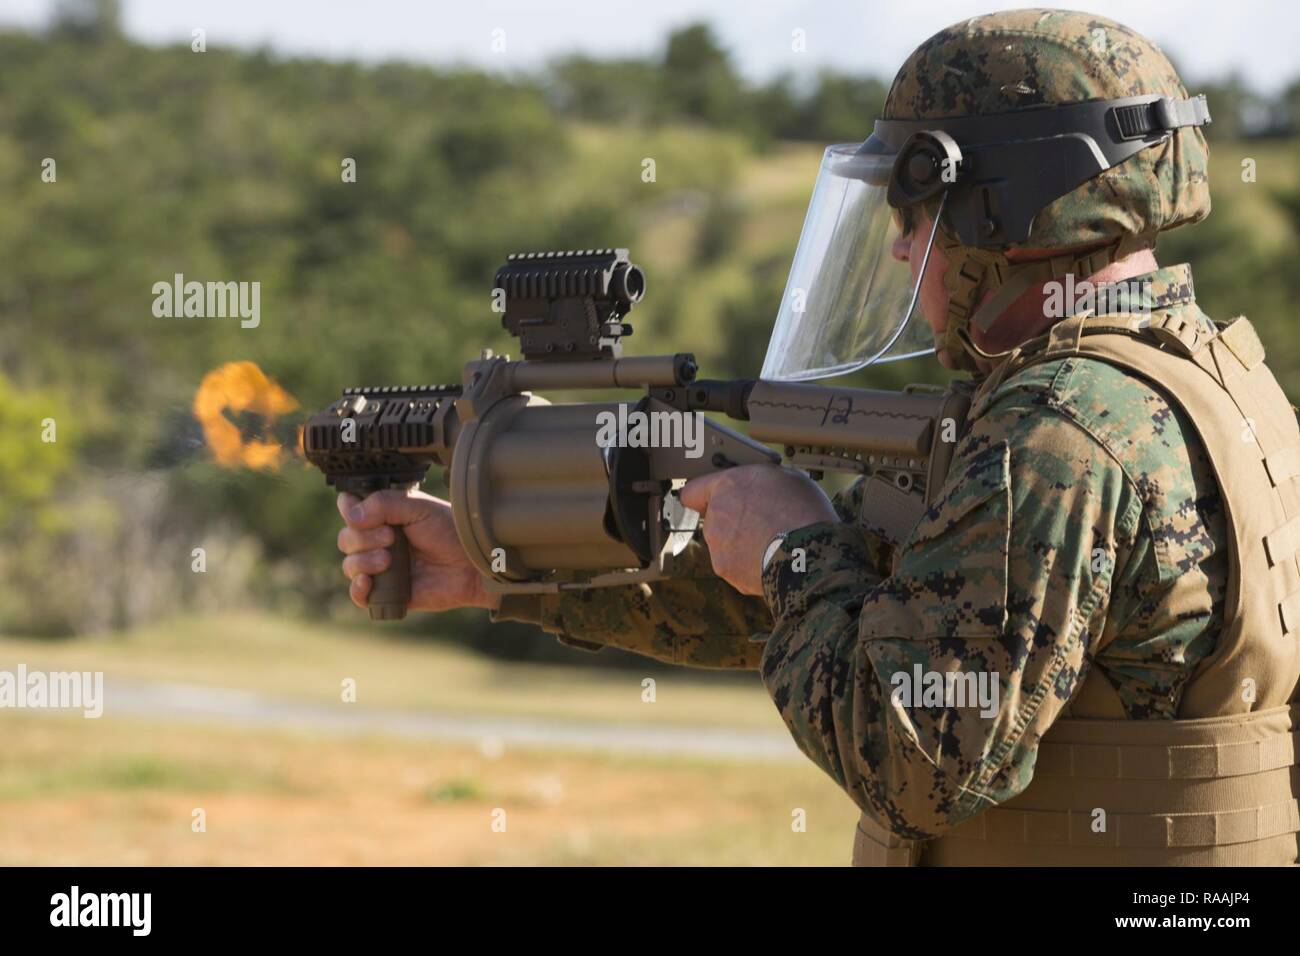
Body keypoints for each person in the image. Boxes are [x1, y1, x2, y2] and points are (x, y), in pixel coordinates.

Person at [337, 9, 1299, 865]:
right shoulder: (1217, 384)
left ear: (995, 208)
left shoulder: (1058, 436)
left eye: (912, 216)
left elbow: (915, 761)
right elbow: (890, 619)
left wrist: (796, 554)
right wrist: (494, 569)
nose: (896, 248)